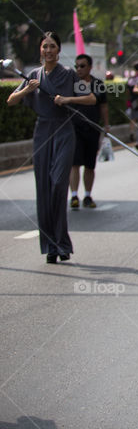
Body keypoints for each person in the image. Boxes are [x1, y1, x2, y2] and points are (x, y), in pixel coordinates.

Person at [7, 31, 95, 263]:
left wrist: (68, 100)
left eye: (52, 46)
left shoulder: (69, 74)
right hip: (42, 132)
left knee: (58, 184)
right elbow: (11, 100)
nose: (48, 50)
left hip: (64, 131)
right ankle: (51, 247)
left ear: (58, 50)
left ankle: (62, 242)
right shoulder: (33, 75)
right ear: (40, 50)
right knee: (44, 189)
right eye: (45, 46)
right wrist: (27, 89)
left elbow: (91, 98)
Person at [69, 54, 109, 209]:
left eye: (82, 66)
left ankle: (87, 195)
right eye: (76, 66)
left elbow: (103, 106)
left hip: (92, 129)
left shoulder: (98, 84)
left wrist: (106, 125)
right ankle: (73, 196)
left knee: (90, 165)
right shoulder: (71, 84)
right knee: (74, 163)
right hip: (75, 129)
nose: (79, 69)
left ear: (90, 67)